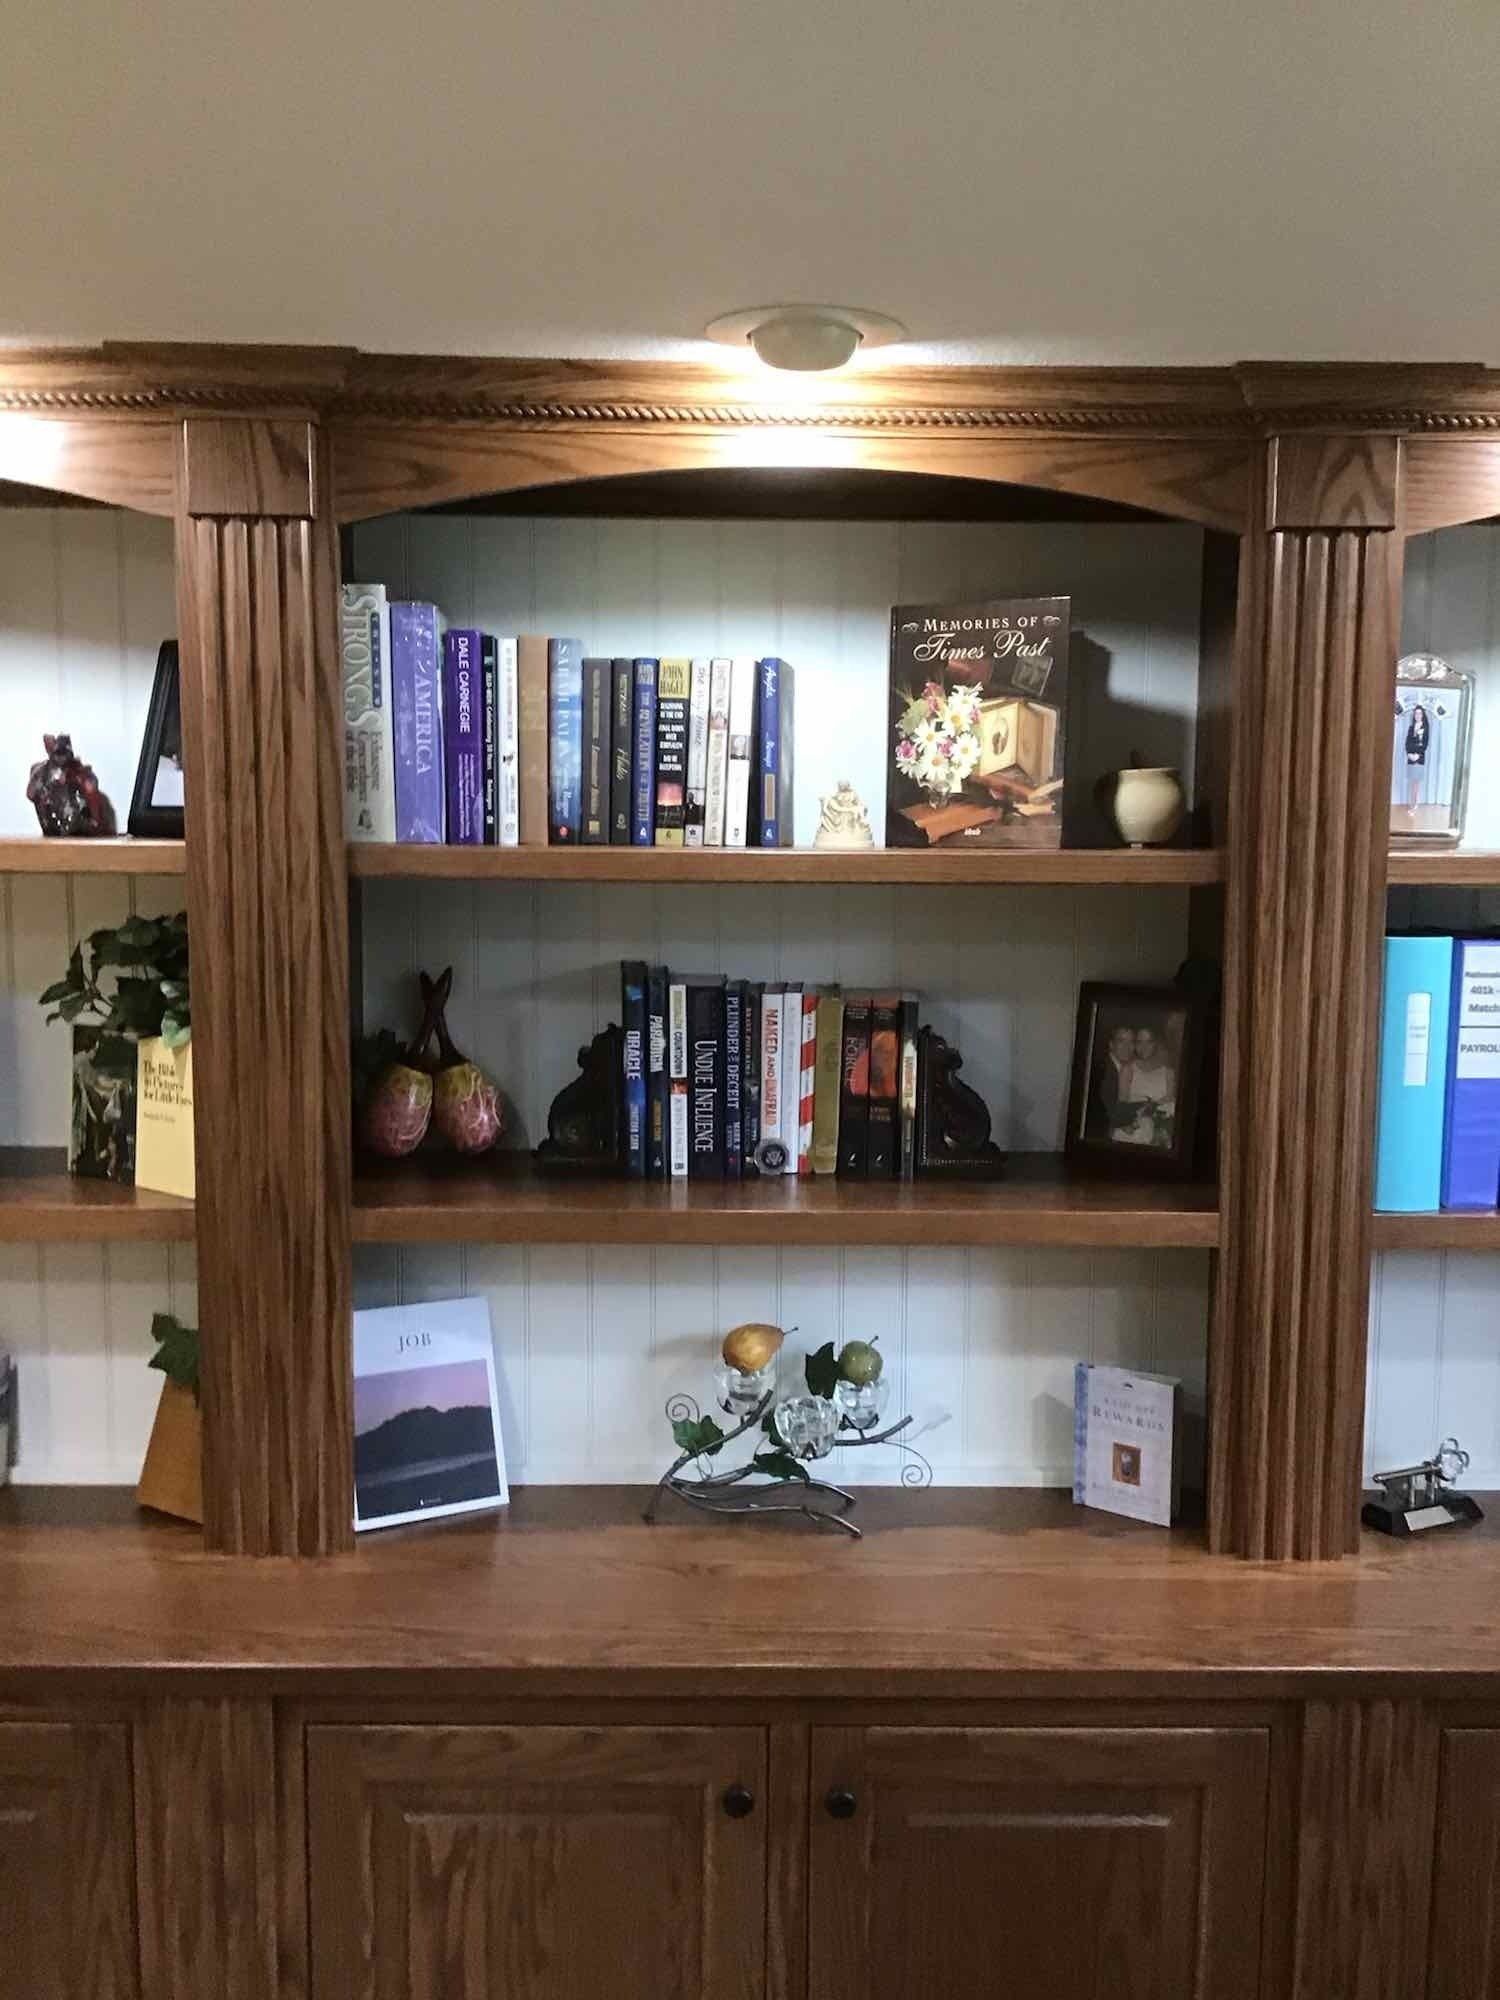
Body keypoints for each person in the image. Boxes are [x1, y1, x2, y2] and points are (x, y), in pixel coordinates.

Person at [1116, 1025, 1176, 1148]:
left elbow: (1171, 1101)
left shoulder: (1168, 1073)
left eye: (1149, 1042)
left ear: (1156, 1044)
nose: (1144, 1047)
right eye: (1139, 1042)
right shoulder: (1128, 1069)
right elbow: (1122, 1105)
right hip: (1136, 1128)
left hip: (1163, 1129)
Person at [1089, 1023, 1138, 1138]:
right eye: (1121, 1041)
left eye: (1131, 1042)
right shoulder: (1102, 1069)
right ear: (1111, 1045)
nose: (1127, 1047)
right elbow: (1101, 1112)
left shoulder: (1129, 1068)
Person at [1406, 702, 1430, 813]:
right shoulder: (1411, 728)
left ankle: (1413, 806)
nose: (1418, 715)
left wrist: (1417, 755)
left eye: (1420, 713)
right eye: (1416, 713)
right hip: (1410, 758)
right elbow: (1407, 743)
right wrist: (1409, 754)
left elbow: (1424, 745)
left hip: (1419, 758)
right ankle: (1413, 804)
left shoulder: (1426, 728)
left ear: (1423, 715)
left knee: (1416, 783)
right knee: (1412, 782)